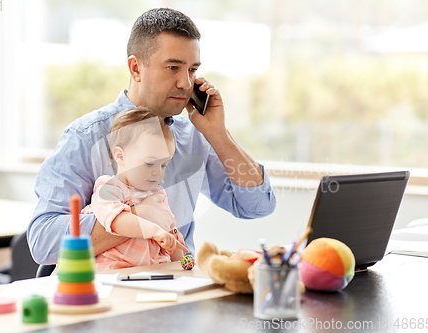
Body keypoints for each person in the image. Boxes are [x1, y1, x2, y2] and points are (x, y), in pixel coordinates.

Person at [28, 7, 276, 265]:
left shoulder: (194, 136)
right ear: (135, 68)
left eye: (192, 70)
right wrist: (138, 217)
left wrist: (219, 134)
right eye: (173, 67)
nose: (185, 83)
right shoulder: (85, 137)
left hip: (178, 290)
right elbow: (43, 242)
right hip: (109, 293)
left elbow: (257, 205)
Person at [81, 108, 187, 270]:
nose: (158, 172)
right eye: (150, 163)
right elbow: (117, 221)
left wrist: (174, 244)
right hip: (114, 272)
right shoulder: (109, 187)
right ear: (120, 156)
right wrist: (155, 231)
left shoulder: (157, 194)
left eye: (163, 165)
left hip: (151, 272)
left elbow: (170, 237)